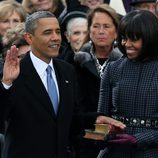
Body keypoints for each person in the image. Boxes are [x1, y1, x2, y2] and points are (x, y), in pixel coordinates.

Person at [0, 11, 125, 158]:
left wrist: (95, 119)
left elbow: (69, 119)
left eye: (57, 31)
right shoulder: (13, 73)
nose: (55, 38)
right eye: (47, 32)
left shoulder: (67, 70)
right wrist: (6, 84)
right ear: (29, 38)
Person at [97, 10, 158, 158]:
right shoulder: (113, 68)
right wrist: (102, 137)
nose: (126, 44)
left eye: (134, 39)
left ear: (150, 38)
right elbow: (101, 117)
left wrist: (139, 139)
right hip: (115, 151)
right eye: (124, 38)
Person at [72, 4, 122, 158]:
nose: (101, 31)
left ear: (116, 31)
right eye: (96, 26)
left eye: (106, 26)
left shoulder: (126, 61)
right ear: (90, 30)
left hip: (120, 136)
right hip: (85, 139)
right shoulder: (76, 62)